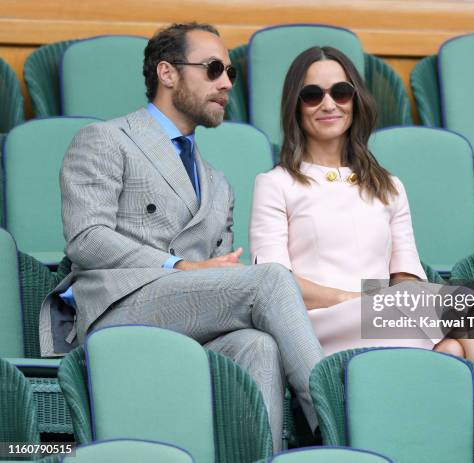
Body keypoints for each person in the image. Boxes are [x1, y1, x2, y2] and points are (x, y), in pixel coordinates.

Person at [249, 45, 474, 448]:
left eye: (340, 92)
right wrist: (356, 296)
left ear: (355, 99)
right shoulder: (276, 184)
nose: (328, 104)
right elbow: (275, 283)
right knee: (468, 308)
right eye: (312, 94)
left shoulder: (389, 186)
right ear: (296, 105)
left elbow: (406, 276)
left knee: (453, 347)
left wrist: (380, 298)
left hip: (382, 312)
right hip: (319, 322)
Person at [38, 23, 323, 451]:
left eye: (230, 72)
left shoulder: (218, 183)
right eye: (212, 69)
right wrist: (179, 266)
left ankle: (261, 456)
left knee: (259, 345)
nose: (226, 82)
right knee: (271, 278)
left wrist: (200, 272)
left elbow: (218, 277)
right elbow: (87, 238)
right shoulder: (107, 139)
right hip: (118, 309)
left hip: (190, 316)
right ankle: (334, 422)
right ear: (167, 73)